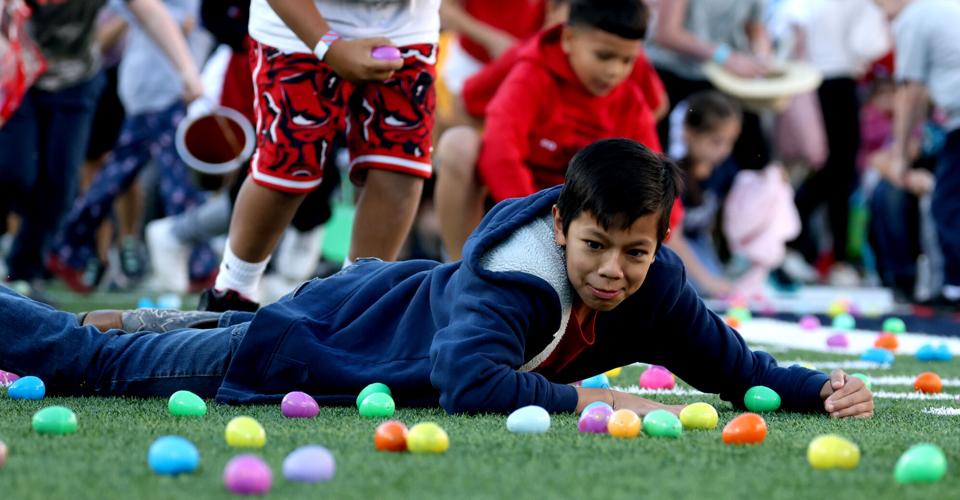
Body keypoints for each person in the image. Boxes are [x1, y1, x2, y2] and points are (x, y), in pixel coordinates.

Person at [0, 139, 874, 419]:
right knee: (87, 364)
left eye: (635, 252)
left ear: (660, 242)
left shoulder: (656, 283)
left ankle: (137, 323)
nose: (613, 271)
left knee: (169, 337)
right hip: (318, 339)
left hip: (367, 302)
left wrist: (811, 387)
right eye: (596, 245)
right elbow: (465, 382)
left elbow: (730, 365)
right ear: (563, 225)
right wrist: (597, 405)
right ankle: (99, 332)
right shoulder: (519, 279)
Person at [199, 0, 441, 312]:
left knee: (400, 167)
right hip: (299, 24)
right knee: (288, 167)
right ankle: (232, 293)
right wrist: (330, 46)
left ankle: (355, 306)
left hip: (404, 25)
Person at [435, 0, 664, 260]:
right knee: (458, 143)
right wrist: (534, 223)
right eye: (604, 57)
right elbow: (494, 141)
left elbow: (653, 169)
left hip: (589, 221)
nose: (614, 70)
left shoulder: (627, 81)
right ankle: (460, 269)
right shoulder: (532, 68)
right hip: (521, 206)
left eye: (627, 61)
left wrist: (659, 231)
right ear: (567, 37)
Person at [0, 0, 202, 293]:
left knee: (59, 188)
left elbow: (151, 13)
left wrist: (187, 71)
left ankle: (23, 276)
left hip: (76, 80)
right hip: (17, 74)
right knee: (15, 173)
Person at [874, 0, 960, 312]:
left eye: (880, 4)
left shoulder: (914, 17)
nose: (880, 12)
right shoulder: (945, 9)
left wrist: (899, 155)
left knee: (949, 207)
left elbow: (910, 89)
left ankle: (954, 289)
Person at [645, 0, 772, 171]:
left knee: (755, 155)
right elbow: (666, 34)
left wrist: (761, 55)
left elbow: (755, 25)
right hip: (673, 69)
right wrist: (724, 56)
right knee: (653, 158)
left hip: (725, 77)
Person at [665, 91, 742, 298]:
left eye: (730, 142)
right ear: (689, 134)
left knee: (717, 285)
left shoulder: (724, 170)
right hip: (671, 245)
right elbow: (672, 237)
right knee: (691, 288)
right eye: (717, 142)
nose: (724, 150)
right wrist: (708, 281)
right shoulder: (672, 174)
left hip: (699, 242)